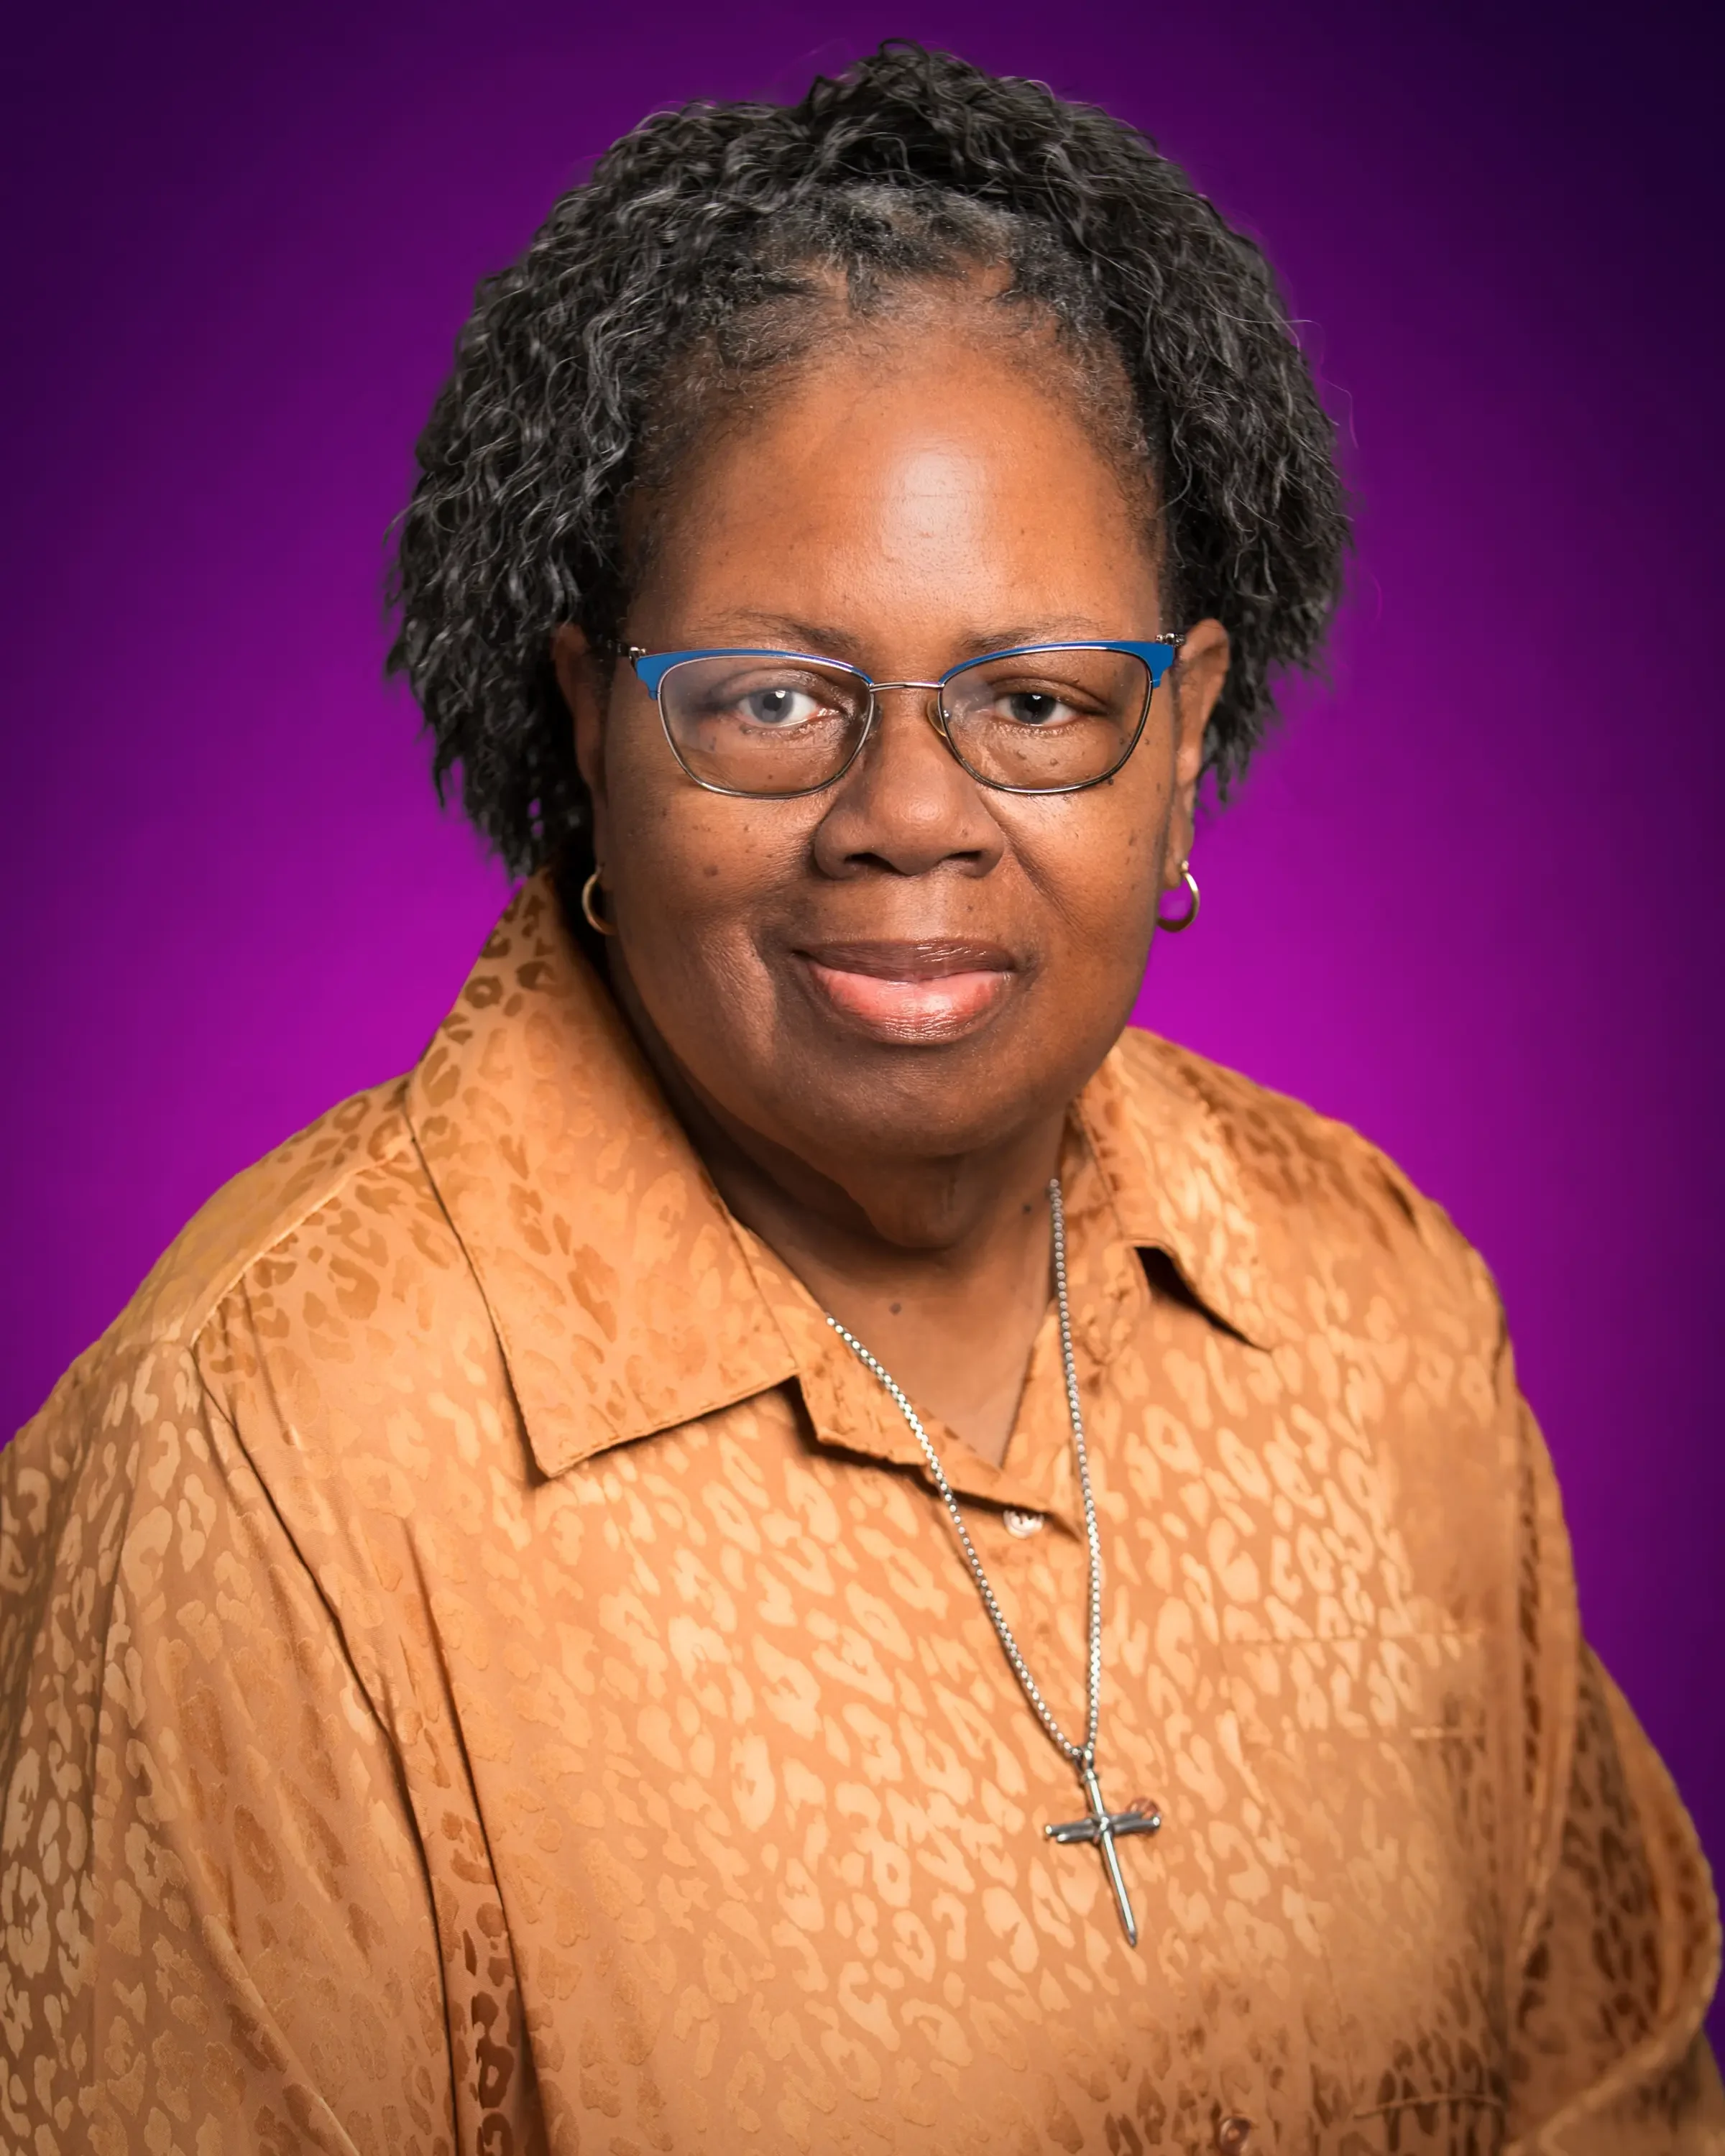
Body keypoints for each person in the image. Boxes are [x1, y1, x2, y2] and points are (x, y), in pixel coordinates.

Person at [1, 41, 1717, 2156]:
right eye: (773, 700)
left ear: (1184, 735)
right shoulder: (275, 1454)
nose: (909, 814)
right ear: (591, 727)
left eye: (1037, 700)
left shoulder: (1377, 1310)